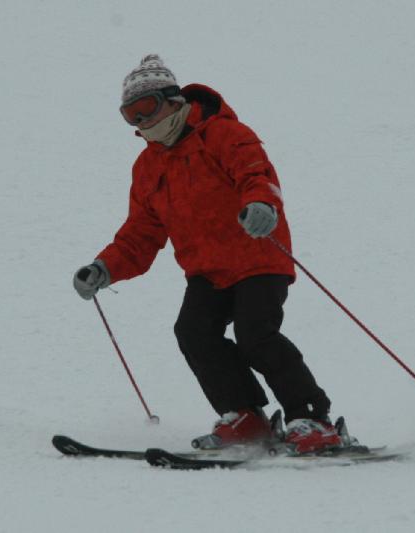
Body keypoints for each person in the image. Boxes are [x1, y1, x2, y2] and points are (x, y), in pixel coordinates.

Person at [73, 55, 345, 454]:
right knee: (194, 333)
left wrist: (262, 205)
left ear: (173, 100)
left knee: (256, 335)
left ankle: (312, 419)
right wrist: (104, 268)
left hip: (256, 256)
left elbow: (257, 175)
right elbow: (141, 233)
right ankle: (245, 416)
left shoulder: (224, 134)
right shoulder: (147, 167)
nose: (140, 121)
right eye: (130, 114)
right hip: (207, 270)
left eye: (146, 107)